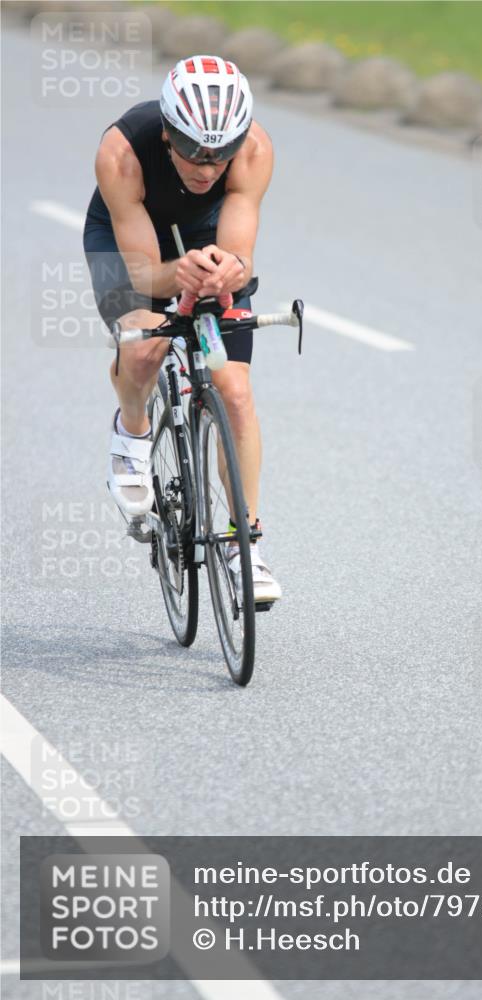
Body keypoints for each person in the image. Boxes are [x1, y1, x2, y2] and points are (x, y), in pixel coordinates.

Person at [83, 55, 280, 603]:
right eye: (193, 150)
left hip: (205, 236)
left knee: (234, 392)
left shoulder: (254, 150)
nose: (207, 168)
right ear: (168, 133)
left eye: (221, 153)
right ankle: (132, 431)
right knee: (144, 348)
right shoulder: (121, 153)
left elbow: (239, 251)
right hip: (126, 240)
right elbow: (146, 274)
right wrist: (179, 276)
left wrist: (229, 269)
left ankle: (244, 545)